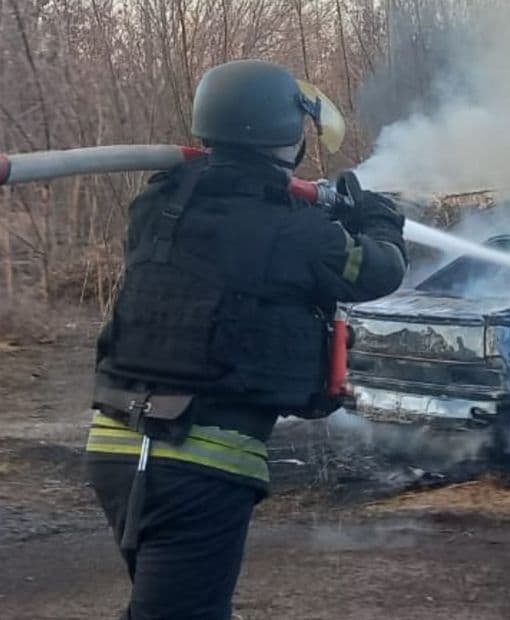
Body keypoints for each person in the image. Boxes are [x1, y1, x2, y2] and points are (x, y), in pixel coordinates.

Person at [84, 59, 408, 619]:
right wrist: (377, 220)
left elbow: (230, 243)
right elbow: (380, 271)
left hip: (114, 445)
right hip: (202, 463)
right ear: (287, 133)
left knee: (177, 606)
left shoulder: (159, 205)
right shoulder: (297, 232)